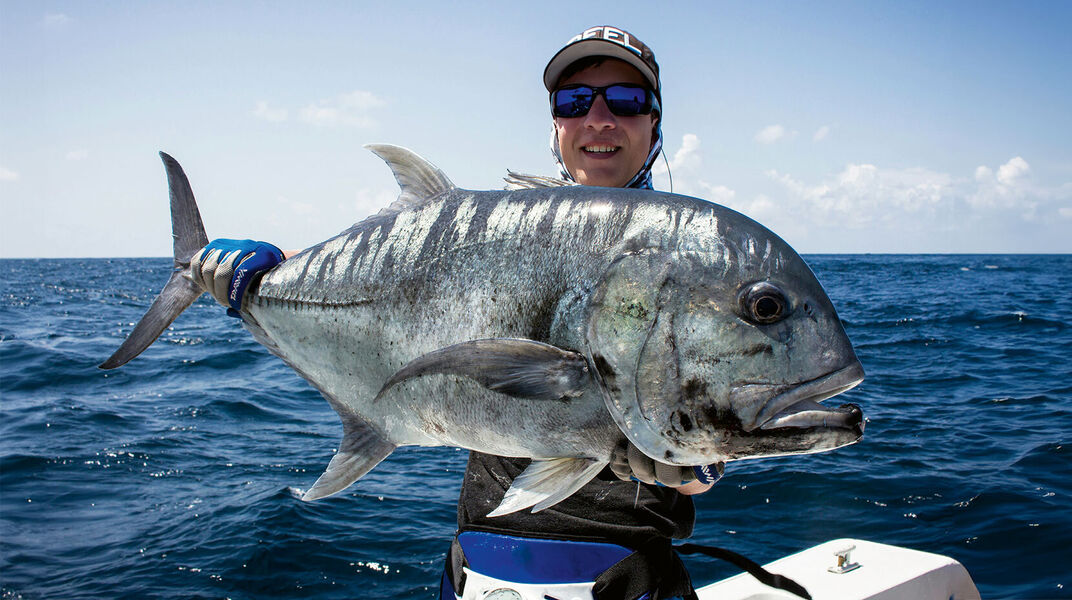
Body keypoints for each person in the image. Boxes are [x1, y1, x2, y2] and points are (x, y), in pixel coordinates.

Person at [190, 26, 720, 599]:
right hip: (476, 572)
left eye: (626, 100)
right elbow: (391, 280)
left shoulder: (698, 262)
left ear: (654, 123)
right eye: (573, 102)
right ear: (556, 124)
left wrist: (697, 465)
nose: (598, 118)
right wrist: (264, 271)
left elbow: (729, 411)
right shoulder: (501, 229)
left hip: (625, 578)